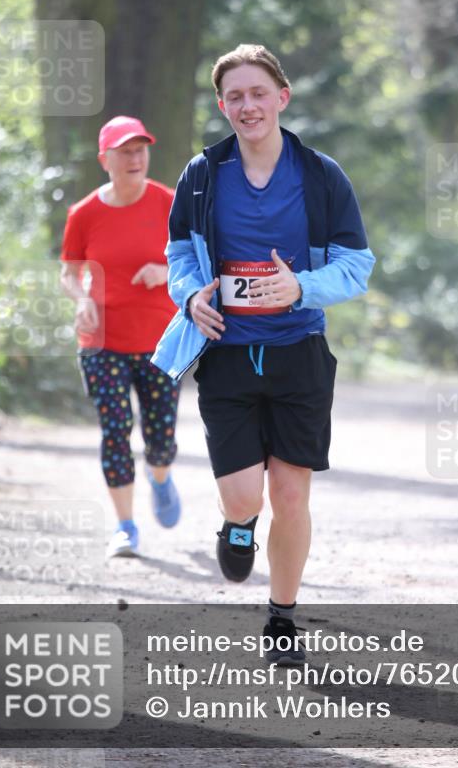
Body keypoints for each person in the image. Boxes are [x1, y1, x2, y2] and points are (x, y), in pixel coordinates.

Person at [152, 45, 374, 663]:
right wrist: (191, 293)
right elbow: (178, 255)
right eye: (234, 97)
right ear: (223, 106)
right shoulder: (201, 175)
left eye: (258, 93)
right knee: (247, 496)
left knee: (292, 494)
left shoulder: (321, 176)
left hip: (298, 352)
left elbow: (358, 266)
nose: (247, 106)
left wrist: (302, 286)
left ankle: (282, 617)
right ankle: (237, 524)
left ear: (282, 96)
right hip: (226, 351)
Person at [60, 116, 182, 559]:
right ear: (104, 160)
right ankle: (126, 527)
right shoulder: (84, 214)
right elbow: (69, 273)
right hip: (101, 339)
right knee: (115, 431)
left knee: (160, 437)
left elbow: (202, 265)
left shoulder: (171, 204)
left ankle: (162, 476)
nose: (135, 158)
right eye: (124, 151)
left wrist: (166, 271)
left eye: (140, 149)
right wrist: (80, 298)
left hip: (161, 341)